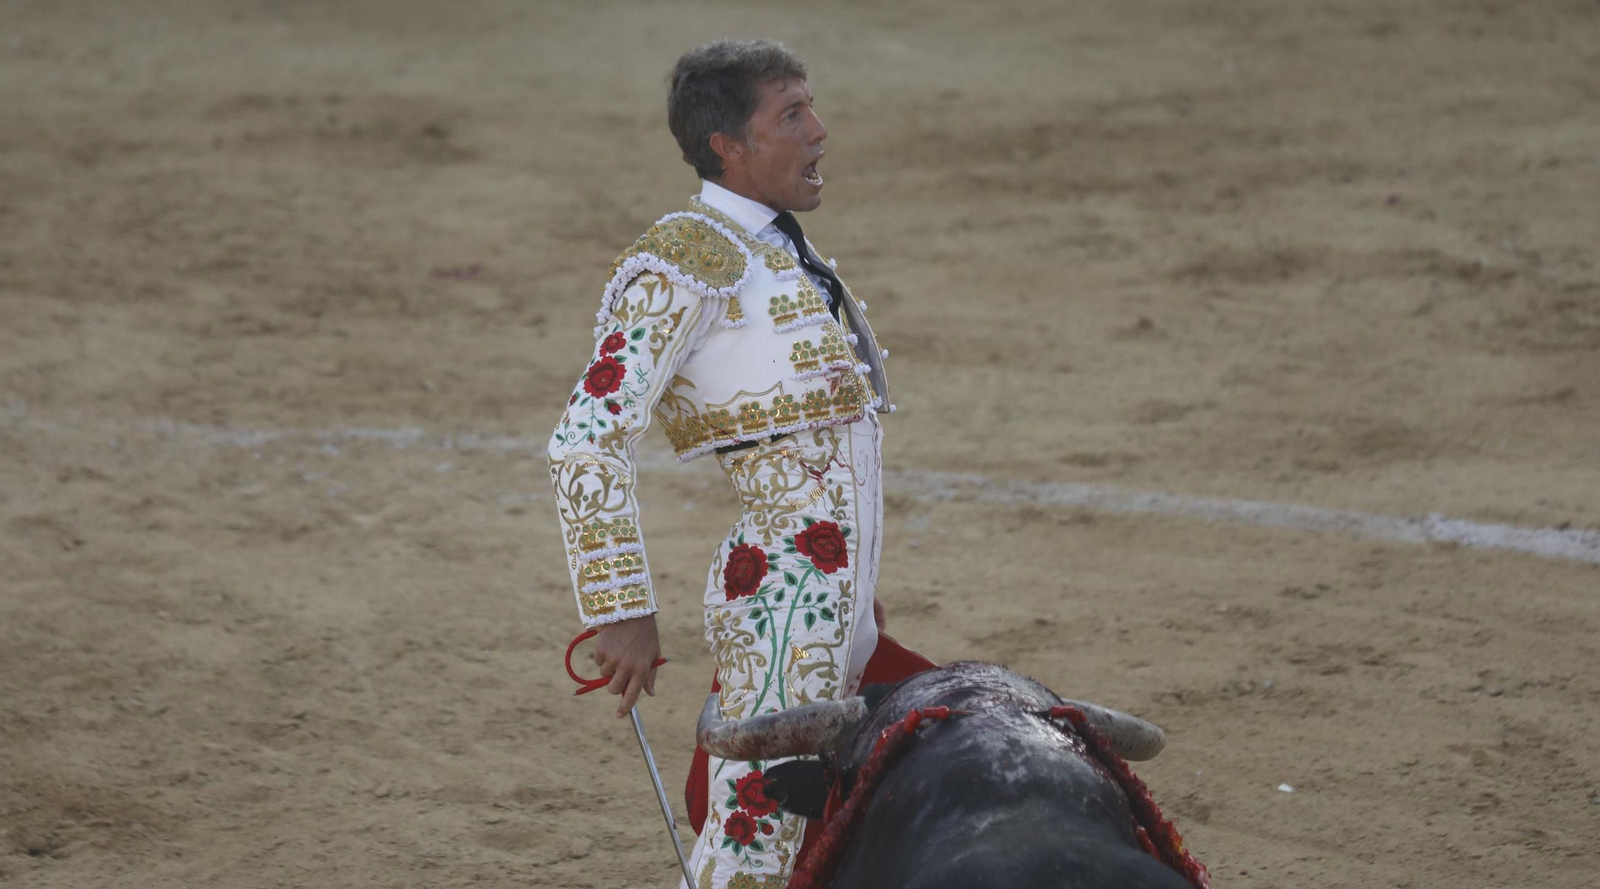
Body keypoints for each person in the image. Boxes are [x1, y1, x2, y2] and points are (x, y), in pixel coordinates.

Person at [546, 38, 892, 887]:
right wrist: (621, 607)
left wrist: (856, 592)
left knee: (810, 841)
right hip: (783, 603)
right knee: (754, 848)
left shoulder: (777, 251)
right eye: (792, 114)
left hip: (832, 601)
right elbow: (585, 435)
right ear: (728, 146)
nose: (819, 129)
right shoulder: (685, 261)